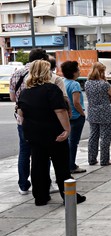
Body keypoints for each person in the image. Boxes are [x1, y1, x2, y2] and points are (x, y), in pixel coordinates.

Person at [17, 60, 86, 206]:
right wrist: (67, 129)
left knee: (38, 165)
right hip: (54, 133)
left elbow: (20, 112)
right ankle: (68, 195)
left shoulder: (25, 92)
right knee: (61, 165)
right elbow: (60, 110)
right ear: (45, 72)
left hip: (34, 134)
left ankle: (40, 197)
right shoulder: (51, 89)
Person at [9, 48, 59, 195]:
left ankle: (23, 185)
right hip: (43, 118)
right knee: (44, 151)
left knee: (24, 151)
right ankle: (47, 183)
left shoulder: (17, 73)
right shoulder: (44, 73)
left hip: (22, 119)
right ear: (43, 60)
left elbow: (13, 98)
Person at [85, 62, 111, 166]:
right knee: (105, 137)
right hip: (105, 112)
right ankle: (104, 160)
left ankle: (91, 159)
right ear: (101, 72)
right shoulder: (104, 84)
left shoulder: (87, 83)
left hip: (92, 112)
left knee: (93, 136)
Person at [61, 60, 87, 174]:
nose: (79, 71)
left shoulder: (62, 82)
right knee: (73, 142)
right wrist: (82, 113)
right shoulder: (75, 84)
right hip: (76, 116)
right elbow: (76, 102)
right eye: (78, 69)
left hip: (66, 116)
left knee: (67, 142)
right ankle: (71, 165)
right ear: (74, 72)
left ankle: (67, 163)